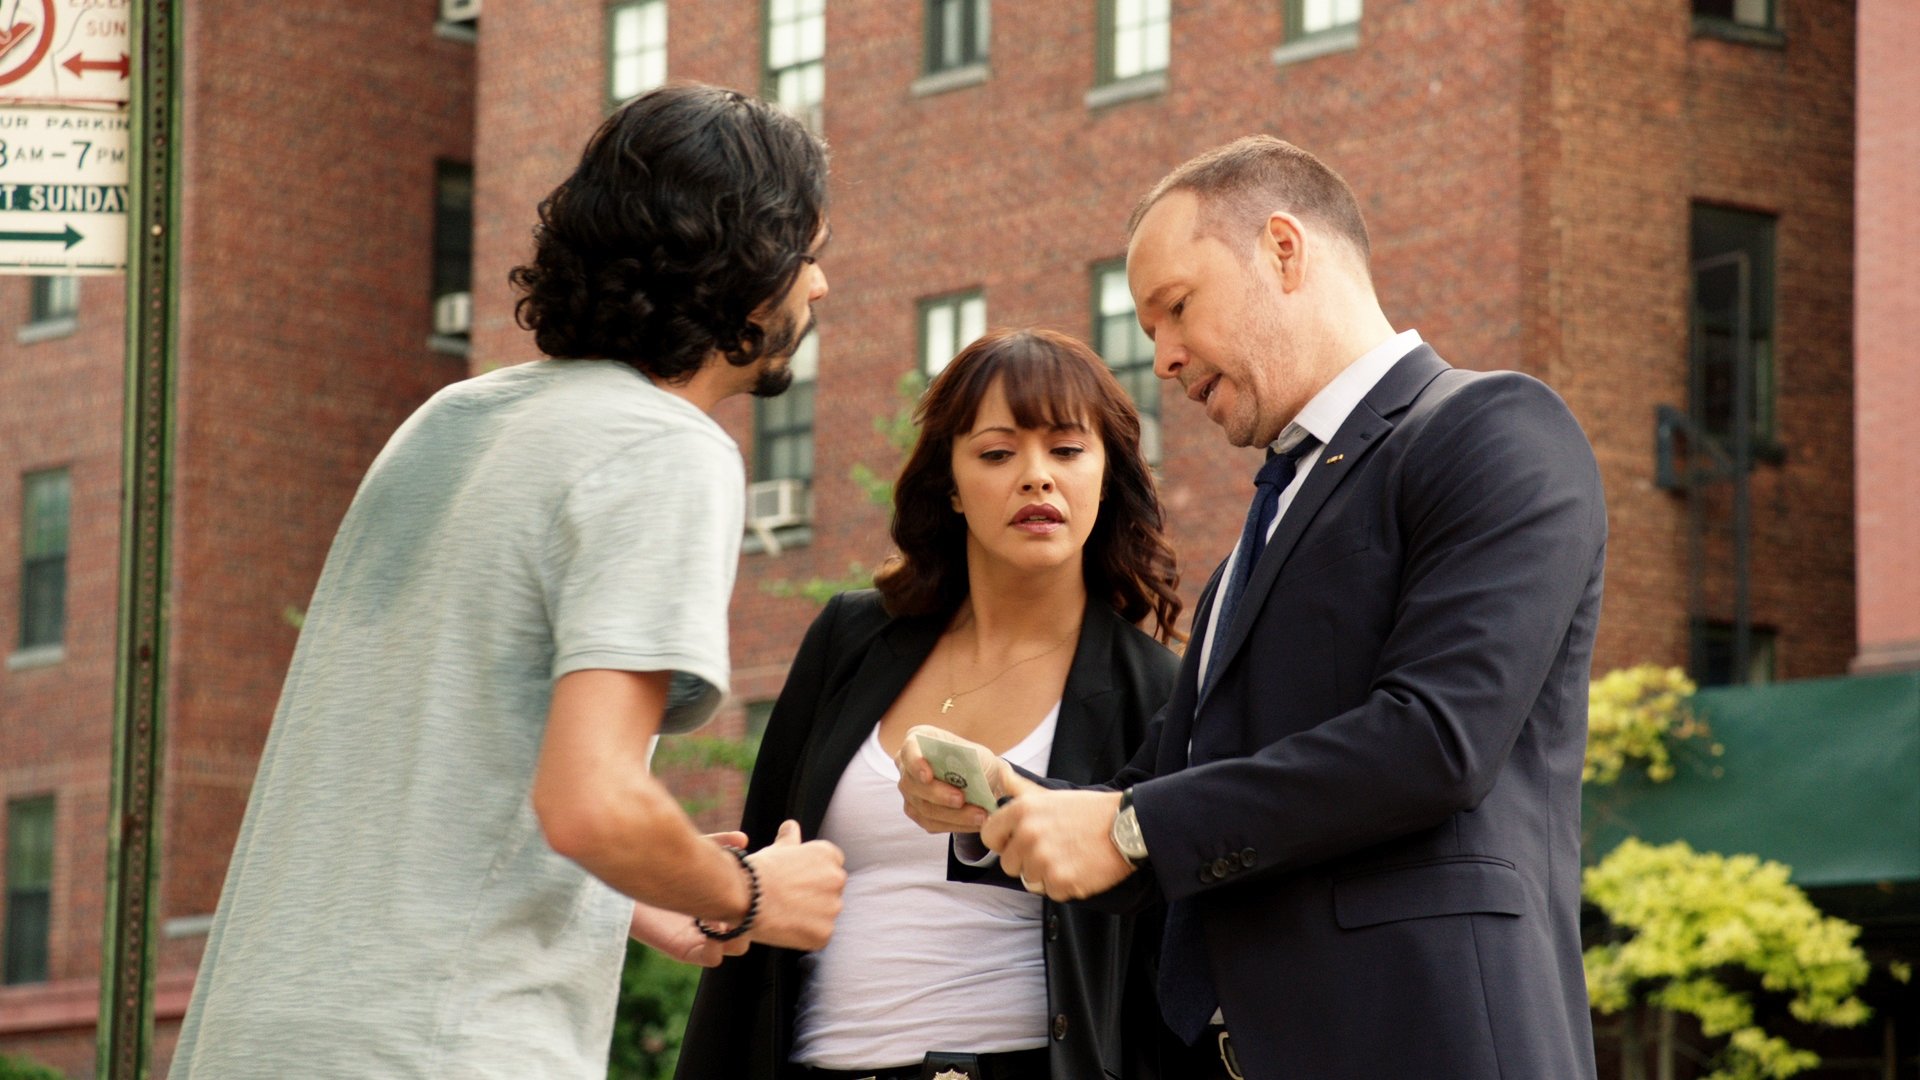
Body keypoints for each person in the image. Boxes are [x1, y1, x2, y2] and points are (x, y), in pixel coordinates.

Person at [171, 84, 848, 1080]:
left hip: (246, 1035)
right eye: (809, 255)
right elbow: (590, 802)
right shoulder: (667, 450)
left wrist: (636, 891)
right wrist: (746, 892)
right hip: (436, 1050)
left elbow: (434, 767)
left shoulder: (449, 423)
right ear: (747, 270)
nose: (821, 288)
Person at [898, 136, 1607, 1080]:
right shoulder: (1258, 540)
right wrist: (1015, 803)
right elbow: (1160, 792)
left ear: (1283, 249)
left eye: (1176, 310)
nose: (1163, 359)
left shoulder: (1492, 429)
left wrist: (1125, 826)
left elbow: (1434, 742)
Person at [675, 329, 1186, 1080]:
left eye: (1068, 451)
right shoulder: (849, 640)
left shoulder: (1154, 690)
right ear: (949, 483)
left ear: (1107, 476)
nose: (1036, 478)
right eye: (997, 453)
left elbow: (1160, 947)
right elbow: (758, 881)